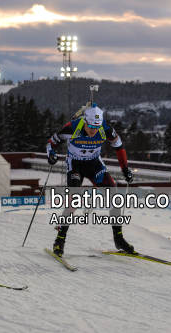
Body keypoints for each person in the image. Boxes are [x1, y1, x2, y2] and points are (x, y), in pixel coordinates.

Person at [46, 103, 134, 257]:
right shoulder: (72, 128)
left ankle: (118, 238)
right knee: (74, 200)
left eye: (97, 127)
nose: (94, 130)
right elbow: (51, 142)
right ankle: (59, 241)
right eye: (91, 126)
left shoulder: (105, 129)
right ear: (85, 121)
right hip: (75, 164)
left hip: (94, 164)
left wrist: (125, 169)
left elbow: (119, 147)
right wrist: (51, 154)